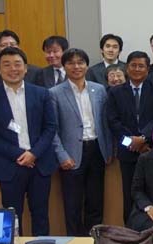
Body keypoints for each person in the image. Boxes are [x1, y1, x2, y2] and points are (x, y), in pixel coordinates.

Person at [0, 47, 57, 236]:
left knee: (40, 214)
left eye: (17, 64)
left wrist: (33, 153)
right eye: (6, 64)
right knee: (13, 216)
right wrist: (19, 154)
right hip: (9, 164)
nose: (13, 69)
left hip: (39, 164)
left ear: (26, 68)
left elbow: (50, 127)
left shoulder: (41, 93)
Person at [50, 48, 113, 236]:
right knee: (72, 204)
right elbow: (52, 129)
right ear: (64, 66)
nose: (76, 66)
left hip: (96, 150)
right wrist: (61, 155)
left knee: (95, 202)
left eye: (80, 62)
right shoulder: (54, 93)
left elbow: (105, 123)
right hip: (71, 154)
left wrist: (108, 150)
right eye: (71, 63)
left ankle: (93, 238)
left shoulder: (98, 89)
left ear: (87, 65)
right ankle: (75, 239)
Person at [106, 51, 153, 223]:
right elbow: (113, 123)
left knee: (152, 192)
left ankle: (152, 228)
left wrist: (143, 139)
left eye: (141, 66)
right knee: (129, 193)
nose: (137, 69)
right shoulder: (115, 92)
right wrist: (131, 142)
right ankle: (131, 229)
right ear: (127, 68)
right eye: (133, 65)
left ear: (147, 69)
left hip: (151, 150)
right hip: (127, 153)